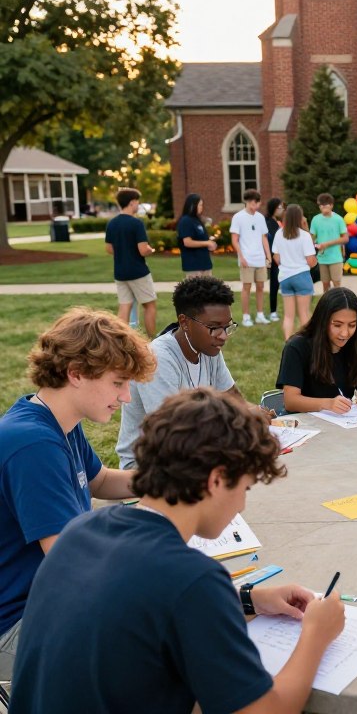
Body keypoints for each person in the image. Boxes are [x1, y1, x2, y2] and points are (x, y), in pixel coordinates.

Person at [9, 388, 346, 714]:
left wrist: (247, 599)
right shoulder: (193, 578)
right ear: (216, 480)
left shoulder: (84, 530)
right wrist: (317, 634)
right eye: (244, 488)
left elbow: (149, 603)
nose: (242, 503)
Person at [0, 309, 155, 679]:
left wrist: (167, 479)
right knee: (158, 653)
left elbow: (98, 481)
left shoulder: (56, 421)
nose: (127, 397)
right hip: (20, 621)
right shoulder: (33, 443)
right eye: (119, 382)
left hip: (54, 600)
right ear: (76, 374)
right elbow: (71, 557)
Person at [115, 276, 245, 471]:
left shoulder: (209, 347)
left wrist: (254, 415)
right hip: (150, 466)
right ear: (184, 322)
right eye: (214, 328)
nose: (223, 336)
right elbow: (173, 434)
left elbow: (235, 401)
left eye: (227, 327)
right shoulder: (158, 358)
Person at [276, 287, 357, 414]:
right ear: (323, 321)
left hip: (345, 423)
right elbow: (291, 401)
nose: (345, 333)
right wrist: (327, 404)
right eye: (337, 325)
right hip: (306, 423)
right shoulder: (296, 347)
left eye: (352, 325)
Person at [104, 187, 157, 336]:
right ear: (132, 202)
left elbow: (108, 249)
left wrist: (123, 251)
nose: (138, 206)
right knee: (150, 305)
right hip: (138, 272)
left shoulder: (112, 223)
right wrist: (151, 250)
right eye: (137, 203)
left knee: (124, 307)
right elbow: (142, 250)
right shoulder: (136, 224)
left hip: (120, 272)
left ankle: (120, 341)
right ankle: (152, 341)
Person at [272, 204, 318, 340]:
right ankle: (308, 344)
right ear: (299, 217)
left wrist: (286, 263)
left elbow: (276, 257)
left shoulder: (279, 234)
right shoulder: (304, 236)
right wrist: (315, 262)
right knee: (304, 314)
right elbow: (311, 261)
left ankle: (288, 343)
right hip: (302, 276)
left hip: (285, 277)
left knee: (288, 316)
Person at [230, 188, 271, 328]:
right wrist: (241, 257)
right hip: (246, 259)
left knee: (261, 286)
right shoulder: (238, 217)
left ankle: (260, 315)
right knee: (246, 287)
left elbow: (263, 238)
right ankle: (246, 317)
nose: (255, 206)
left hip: (260, 259)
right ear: (247, 202)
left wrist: (268, 256)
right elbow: (234, 239)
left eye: (257, 203)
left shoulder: (260, 218)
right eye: (252, 203)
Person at [309, 193, 348, 294]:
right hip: (322, 258)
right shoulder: (315, 219)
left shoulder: (338, 219)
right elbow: (311, 238)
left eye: (326, 205)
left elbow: (345, 238)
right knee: (325, 285)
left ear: (331, 205)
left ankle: (338, 306)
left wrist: (327, 244)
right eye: (321, 205)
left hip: (336, 258)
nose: (323, 207)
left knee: (337, 285)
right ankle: (327, 307)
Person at [176, 193, 216, 278]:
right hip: (194, 266)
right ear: (193, 206)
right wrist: (207, 243)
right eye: (200, 205)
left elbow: (200, 237)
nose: (202, 207)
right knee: (195, 291)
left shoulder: (197, 220)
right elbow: (187, 242)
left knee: (209, 290)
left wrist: (209, 241)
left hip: (205, 264)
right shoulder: (185, 221)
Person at [265, 197, 285, 322]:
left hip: (279, 257)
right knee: (274, 285)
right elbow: (269, 241)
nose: (281, 209)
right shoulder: (268, 222)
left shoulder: (275, 221)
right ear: (274, 208)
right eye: (280, 207)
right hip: (273, 258)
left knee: (278, 284)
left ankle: (274, 311)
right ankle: (273, 312)